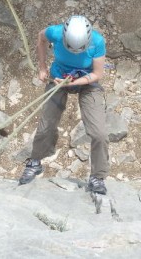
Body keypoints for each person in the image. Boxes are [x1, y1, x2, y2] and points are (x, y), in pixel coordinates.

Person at [19, 15, 109, 195]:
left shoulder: (98, 42)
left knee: (99, 133)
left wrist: (75, 83)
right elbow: (41, 37)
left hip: (87, 82)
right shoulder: (56, 32)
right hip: (58, 77)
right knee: (46, 125)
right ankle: (35, 161)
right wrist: (42, 67)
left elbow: (97, 74)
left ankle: (97, 177)